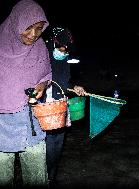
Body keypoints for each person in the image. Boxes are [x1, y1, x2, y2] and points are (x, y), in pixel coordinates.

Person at [0, 0, 51, 187]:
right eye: (28, 28)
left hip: (31, 123)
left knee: (37, 177)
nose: (33, 35)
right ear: (16, 23)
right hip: (1, 125)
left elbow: (45, 73)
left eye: (38, 29)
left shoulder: (39, 47)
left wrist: (42, 85)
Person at [43, 25, 86, 185]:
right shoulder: (42, 56)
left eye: (68, 49)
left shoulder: (64, 59)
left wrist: (74, 87)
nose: (65, 51)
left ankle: (51, 178)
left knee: (57, 145)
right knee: (47, 147)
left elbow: (63, 82)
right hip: (45, 109)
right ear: (54, 42)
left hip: (60, 107)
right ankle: (43, 177)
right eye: (62, 47)